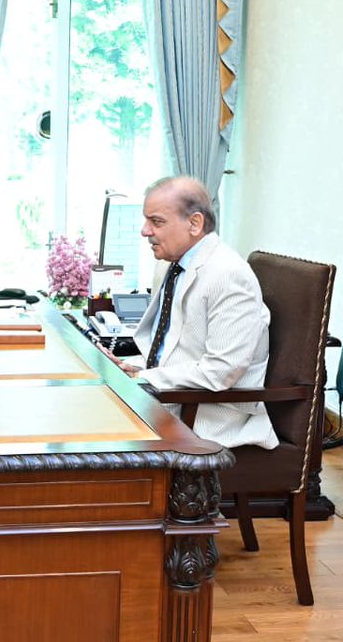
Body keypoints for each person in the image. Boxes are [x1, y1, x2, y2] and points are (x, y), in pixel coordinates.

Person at [109, 175, 278, 451]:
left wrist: (144, 378)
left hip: (206, 417)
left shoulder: (227, 274)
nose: (144, 231)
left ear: (195, 223)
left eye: (157, 221)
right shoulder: (169, 265)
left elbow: (222, 371)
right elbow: (173, 344)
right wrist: (134, 367)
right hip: (168, 398)